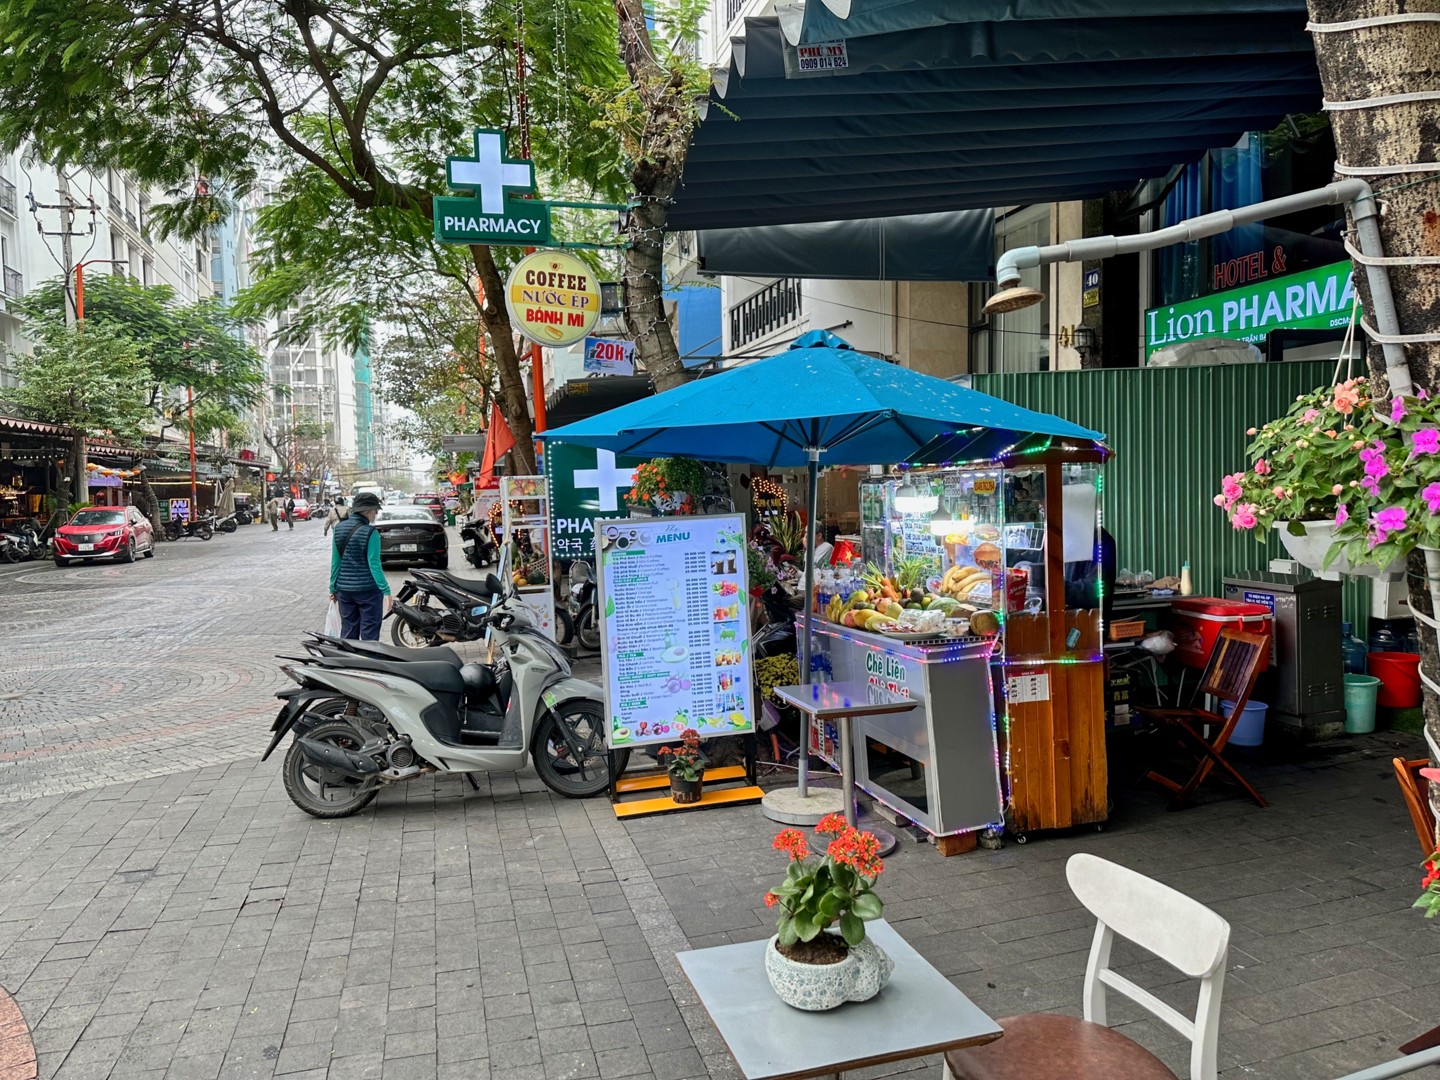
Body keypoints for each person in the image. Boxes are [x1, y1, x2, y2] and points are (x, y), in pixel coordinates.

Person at [330, 492, 391, 640]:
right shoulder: (371, 532)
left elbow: (335, 562)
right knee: (369, 632)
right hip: (368, 592)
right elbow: (374, 564)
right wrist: (386, 590)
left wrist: (332, 588)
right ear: (368, 511)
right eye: (375, 510)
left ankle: (349, 655)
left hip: (344, 590)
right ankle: (367, 655)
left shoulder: (338, 529)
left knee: (348, 630)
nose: (376, 514)